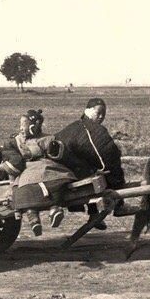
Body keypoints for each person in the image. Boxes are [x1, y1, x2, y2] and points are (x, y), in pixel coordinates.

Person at [0, 109, 69, 236]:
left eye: (25, 125)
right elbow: (10, 153)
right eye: (21, 126)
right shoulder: (16, 141)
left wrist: (53, 149)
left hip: (45, 166)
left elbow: (57, 153)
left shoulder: (47, 138)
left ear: (33, 126)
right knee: (23, 187)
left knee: (55, 181)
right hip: (28, 169)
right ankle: (33, 216)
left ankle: (54, 209)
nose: (22, 129)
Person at [53, 97, 130, 230]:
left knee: (93, 170)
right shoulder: (94, 130)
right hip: (74, 176)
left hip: (66, 171)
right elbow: (108, 153)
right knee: (104, 173)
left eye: (103, 114)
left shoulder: (77, 126)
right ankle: (119, 204)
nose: (101, 117)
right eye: (98, 113)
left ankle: (95, 215)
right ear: (87, 111)